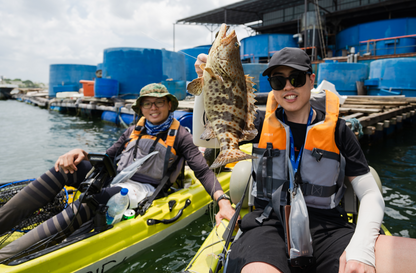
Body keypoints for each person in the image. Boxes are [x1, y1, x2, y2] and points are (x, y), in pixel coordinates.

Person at [194, 48, 416, 273]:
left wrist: (362, 248)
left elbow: (369, 194)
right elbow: (206, 135)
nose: (288, 87)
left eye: (296, 78)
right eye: (278, 81)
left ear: (311, 80)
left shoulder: (339, 131)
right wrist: (205, 87)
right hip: (269, 224)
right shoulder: (257, 124)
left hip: (327, 227)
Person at [0, 83, 235, 260]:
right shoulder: (133, 130)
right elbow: (107, 158)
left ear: (169, 105)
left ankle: (8, 255)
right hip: (118, 177)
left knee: (95, 198)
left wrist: (223, 201)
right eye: (147, 103)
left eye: (159, 102)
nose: (153, 108)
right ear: (141, 107)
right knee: (65, 168)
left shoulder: (181, 135)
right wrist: (79, 152)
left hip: (145, 190)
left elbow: (202, 171)